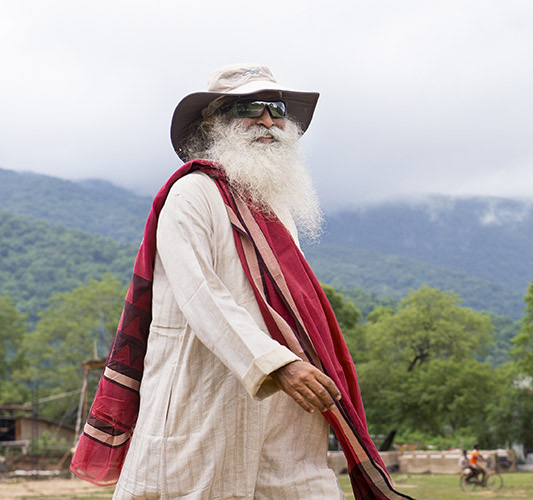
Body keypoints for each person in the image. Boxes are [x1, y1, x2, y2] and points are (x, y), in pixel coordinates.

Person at [70, 64, 413, 500]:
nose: (269, 120)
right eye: (251, 108)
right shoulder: (192, 195)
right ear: (215, 121)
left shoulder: (278, 210)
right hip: (203, 404)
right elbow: (201, 296)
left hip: (283, 416)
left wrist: (290, 365)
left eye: (277, 109)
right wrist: (278, 364)